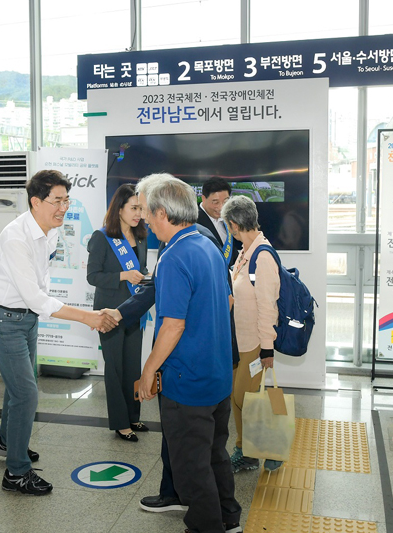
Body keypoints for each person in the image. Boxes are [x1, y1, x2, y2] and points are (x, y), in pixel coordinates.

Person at [0, 169, 117, 496]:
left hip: (26, 318)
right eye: (57, 200)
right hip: (6, 320)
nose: (63, 207)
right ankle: (16, 472)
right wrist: (87, 317)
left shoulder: (50, 231)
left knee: (19, 384)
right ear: (35, 201)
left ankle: (6, 440)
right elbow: (34, 296)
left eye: (66, 200)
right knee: (26, 393)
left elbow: (39, 289)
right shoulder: (16, 237)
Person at [136, 173, 241, 533]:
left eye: (147, 212)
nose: (145, 219)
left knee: (190, 465)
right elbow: (227, 301)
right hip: (217, 375)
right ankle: (229, 516)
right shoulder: (207, 245)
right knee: (215, 454)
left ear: (162, 212)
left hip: (188, 382)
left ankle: (206, 526)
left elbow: (173, 325)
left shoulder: (173, 256)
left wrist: (149, 370)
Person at [222, 194, 282, 473]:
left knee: (245, 397)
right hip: (238, 340)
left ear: (234, 225)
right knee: (238, 397)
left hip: (255, 344)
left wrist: (267, 349)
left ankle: (272, 447)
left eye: (228, 227)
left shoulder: (263, 256)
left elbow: (268, 307)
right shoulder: (245, 253)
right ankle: (245, 450)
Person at [87, 184, 148, 442]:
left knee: (133, 366)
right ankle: (121, 424)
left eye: (141, 209)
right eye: (134, 208)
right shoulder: (102, 237)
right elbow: (93, 276)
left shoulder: (142, 236)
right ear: (119, 208)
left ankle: (134, 416)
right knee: (114, 368)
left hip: (134, 310)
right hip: (109, 312)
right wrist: (123, 274)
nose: (139, 214)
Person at [198, 177, 241, 268]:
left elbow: (231, 251)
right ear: (204, 199)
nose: (221, 207)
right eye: (215, 202)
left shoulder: (227, 218)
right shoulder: (194, 221)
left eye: (225, 201)